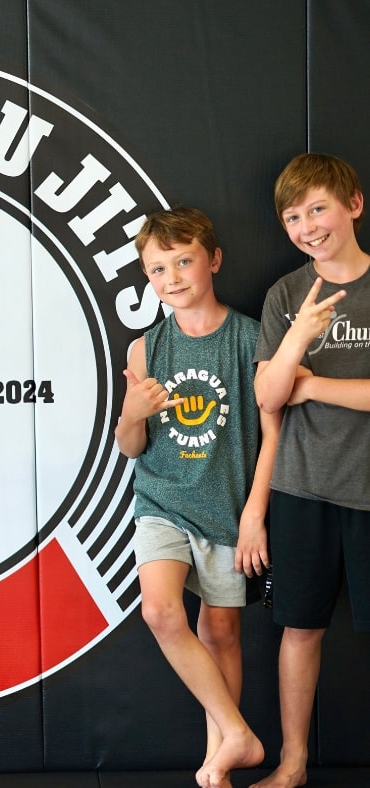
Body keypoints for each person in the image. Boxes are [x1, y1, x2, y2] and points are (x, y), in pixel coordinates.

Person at [115, 207, 281, 788]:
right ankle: (239, 732)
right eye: (156, 269)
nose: (172, 278)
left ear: (212, 260)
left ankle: (222, 758)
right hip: (162, 502)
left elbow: (272, 433)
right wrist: (131, 415)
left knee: (221, 634)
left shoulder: (248, 338)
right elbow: (131, 445)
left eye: (183, 261)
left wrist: (255, 513)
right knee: (160, 610)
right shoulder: (146, 349)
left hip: (227, 509)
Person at [250, 153, 370, 788]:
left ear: (354, 205)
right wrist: (298, 337)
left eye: (317, 208)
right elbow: (269, 395)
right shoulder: (286, 294)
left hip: (368, 491)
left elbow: (299, 390)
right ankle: (292, 765)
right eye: (293, 217)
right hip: (302, 489)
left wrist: (314, 384)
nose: (306, 226)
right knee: (299, 630)